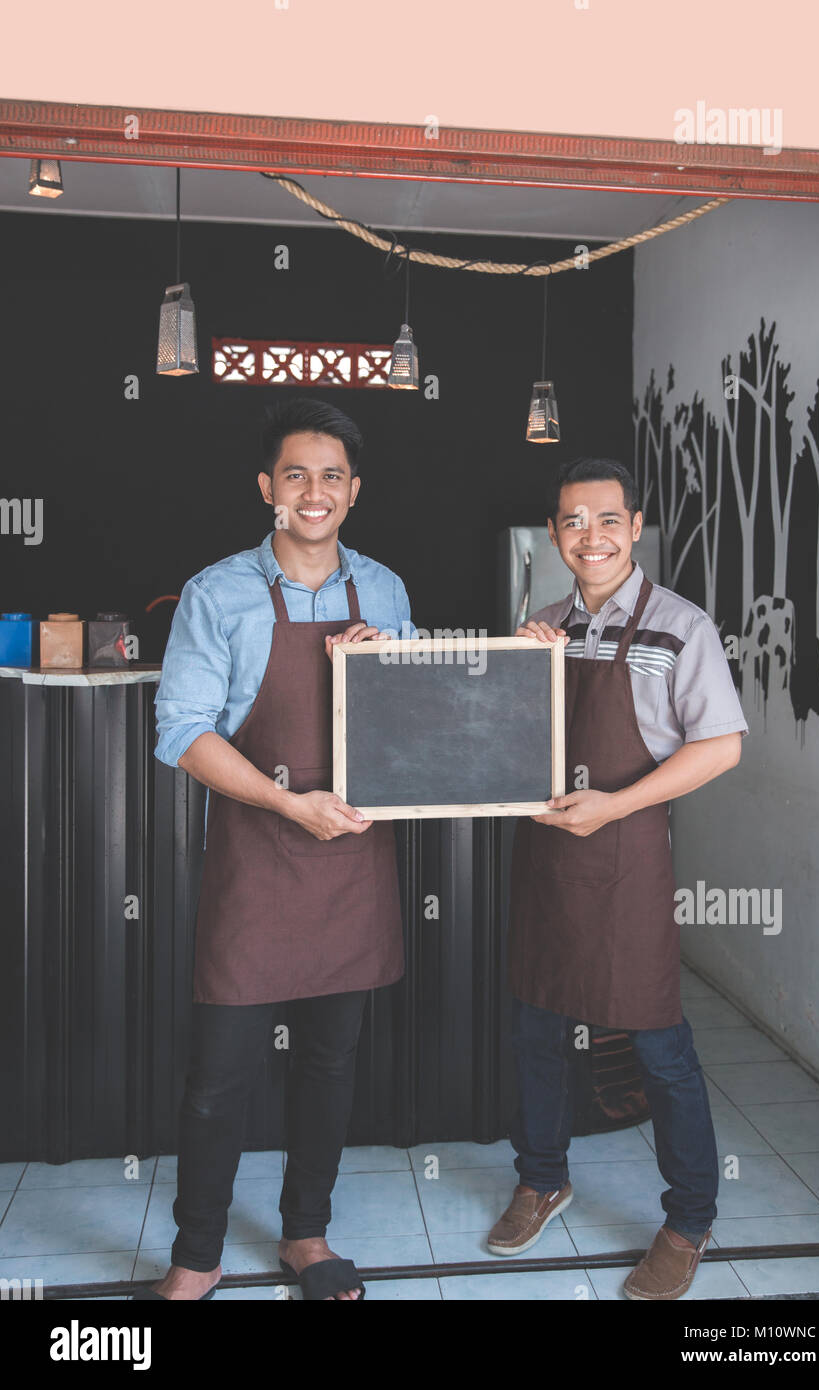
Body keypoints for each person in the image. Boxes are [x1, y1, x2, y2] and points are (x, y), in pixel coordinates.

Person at [139, 397, 410, 1302]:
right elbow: (180, 731)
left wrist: (381, 676)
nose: (315, 491)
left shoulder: (386, 590)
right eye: (296, 473)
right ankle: (197, 1253)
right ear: (267, 488)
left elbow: (411, 732)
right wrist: (289, 804)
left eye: (332, 475)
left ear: (355, 491)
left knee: (331, 1064)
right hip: (259, 857)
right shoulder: (217, 593)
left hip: (353, 860)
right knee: (220, 1077)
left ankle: (306, 1234)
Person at [488, 456, 748, 1300]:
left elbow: (721, 747)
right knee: (533, 1028)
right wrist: (517, 668)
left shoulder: (682, 627)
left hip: (629, 857)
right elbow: (507, 736)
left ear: (635, 527)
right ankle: (542, 1178)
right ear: (556, 533)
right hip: (547, 856)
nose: (589, 537)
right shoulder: (545, 621)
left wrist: (616, 805)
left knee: (659, 1045)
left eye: (606, 520)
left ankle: (689, 1220)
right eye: (572, 521)